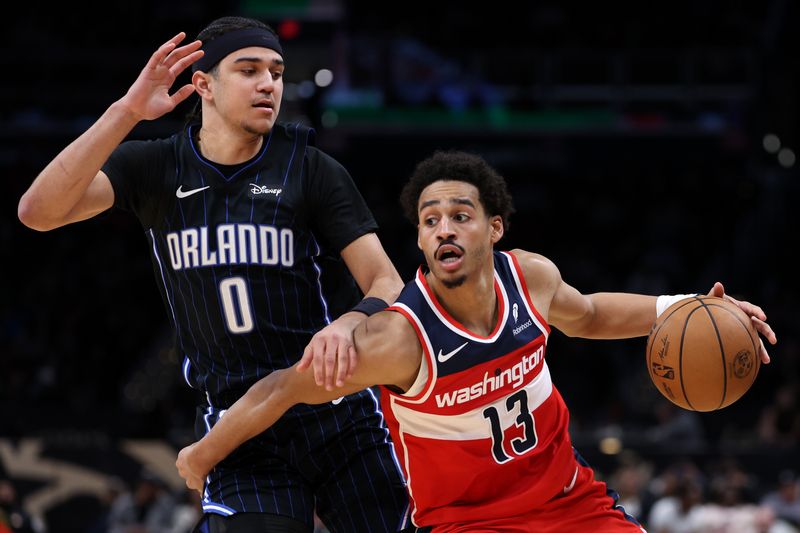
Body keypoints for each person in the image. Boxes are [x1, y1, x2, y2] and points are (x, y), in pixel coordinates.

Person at [175, 150, 777, 532]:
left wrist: (691, 306)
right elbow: (282, 387)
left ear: (494, 227)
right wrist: (203, 453)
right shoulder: (397, 339)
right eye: (430, 219)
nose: (444, 228)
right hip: (469, 524)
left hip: (571, 503)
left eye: (460, 215)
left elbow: (590, 314)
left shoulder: (530, 278)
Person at [17, 16, 410, 533]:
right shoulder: (156, 168)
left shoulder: (309, 168)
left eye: (276, 70)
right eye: (248, 70)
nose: (268, 83)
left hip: (332, 410)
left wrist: (346, 324)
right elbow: (38, 212)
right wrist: (127, 111)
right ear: (203, 84)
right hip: (237, 430)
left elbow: (387, 283)